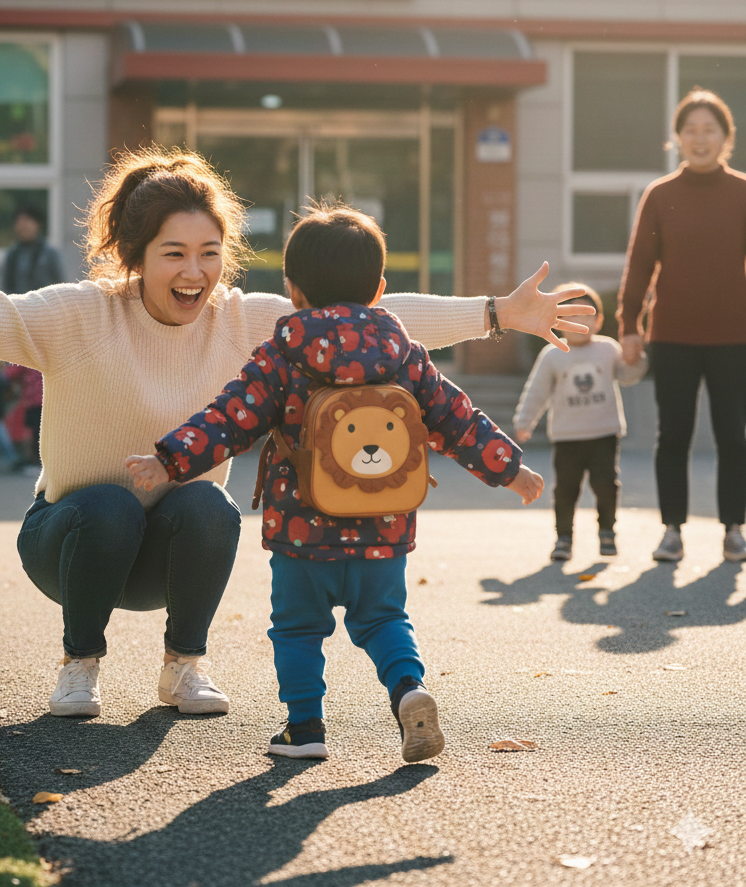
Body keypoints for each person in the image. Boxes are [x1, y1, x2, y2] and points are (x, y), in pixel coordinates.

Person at [0, 146, 592, 722]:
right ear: (135, 254)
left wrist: (495, 314)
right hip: (68, 540)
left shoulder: (249, 323)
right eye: (173, 254)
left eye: (208, 252)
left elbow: (373, 321)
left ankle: (182, 667)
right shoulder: (77, 313)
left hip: (174, 552)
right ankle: (79, 666)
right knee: (107, 504)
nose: (193, 272)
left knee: (208, 505)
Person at [127, 205, 543, 762]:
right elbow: (456, 419)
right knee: (385, 619)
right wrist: (510, 470)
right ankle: (408, 690)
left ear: (293, 290)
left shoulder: (282, 354)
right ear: (380, 291)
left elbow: (231, 417)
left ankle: (305, 730)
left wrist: (169, 460)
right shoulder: (405, 356)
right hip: (384, 526)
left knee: (297, 630)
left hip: (302, 532)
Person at [618, 88, 746, 563]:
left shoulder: (742, 192)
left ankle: (734, 528)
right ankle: (672, 530)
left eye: (709, 130)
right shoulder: (660, 194)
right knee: (673, 435)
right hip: (671, 335)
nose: (699, 138)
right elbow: (639, 265)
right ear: (677, 138)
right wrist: (629, 325)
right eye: (690, 130)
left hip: (735, 336)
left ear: (725, 137)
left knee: (735, 435)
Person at [514, 285, 648, 561]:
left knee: (606, 484)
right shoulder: (552, 354)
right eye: (571, 315)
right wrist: (525, 421)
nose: (579, 322)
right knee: (566, 489)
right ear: (557, 321)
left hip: (604, 433)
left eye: (587, 314)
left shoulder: (608, 349)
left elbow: (627, 374)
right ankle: (563, 538)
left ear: (598, 321)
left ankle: (607, 532)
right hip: (567, 436)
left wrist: (637, 360)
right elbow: (536, 391)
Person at [2, 204, 66, 293]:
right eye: (19, 222)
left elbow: (60, 284)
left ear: (38, 224)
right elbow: (7, 286)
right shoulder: (13, 254)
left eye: (27, 221)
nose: (23, 226)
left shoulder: (49, 253)